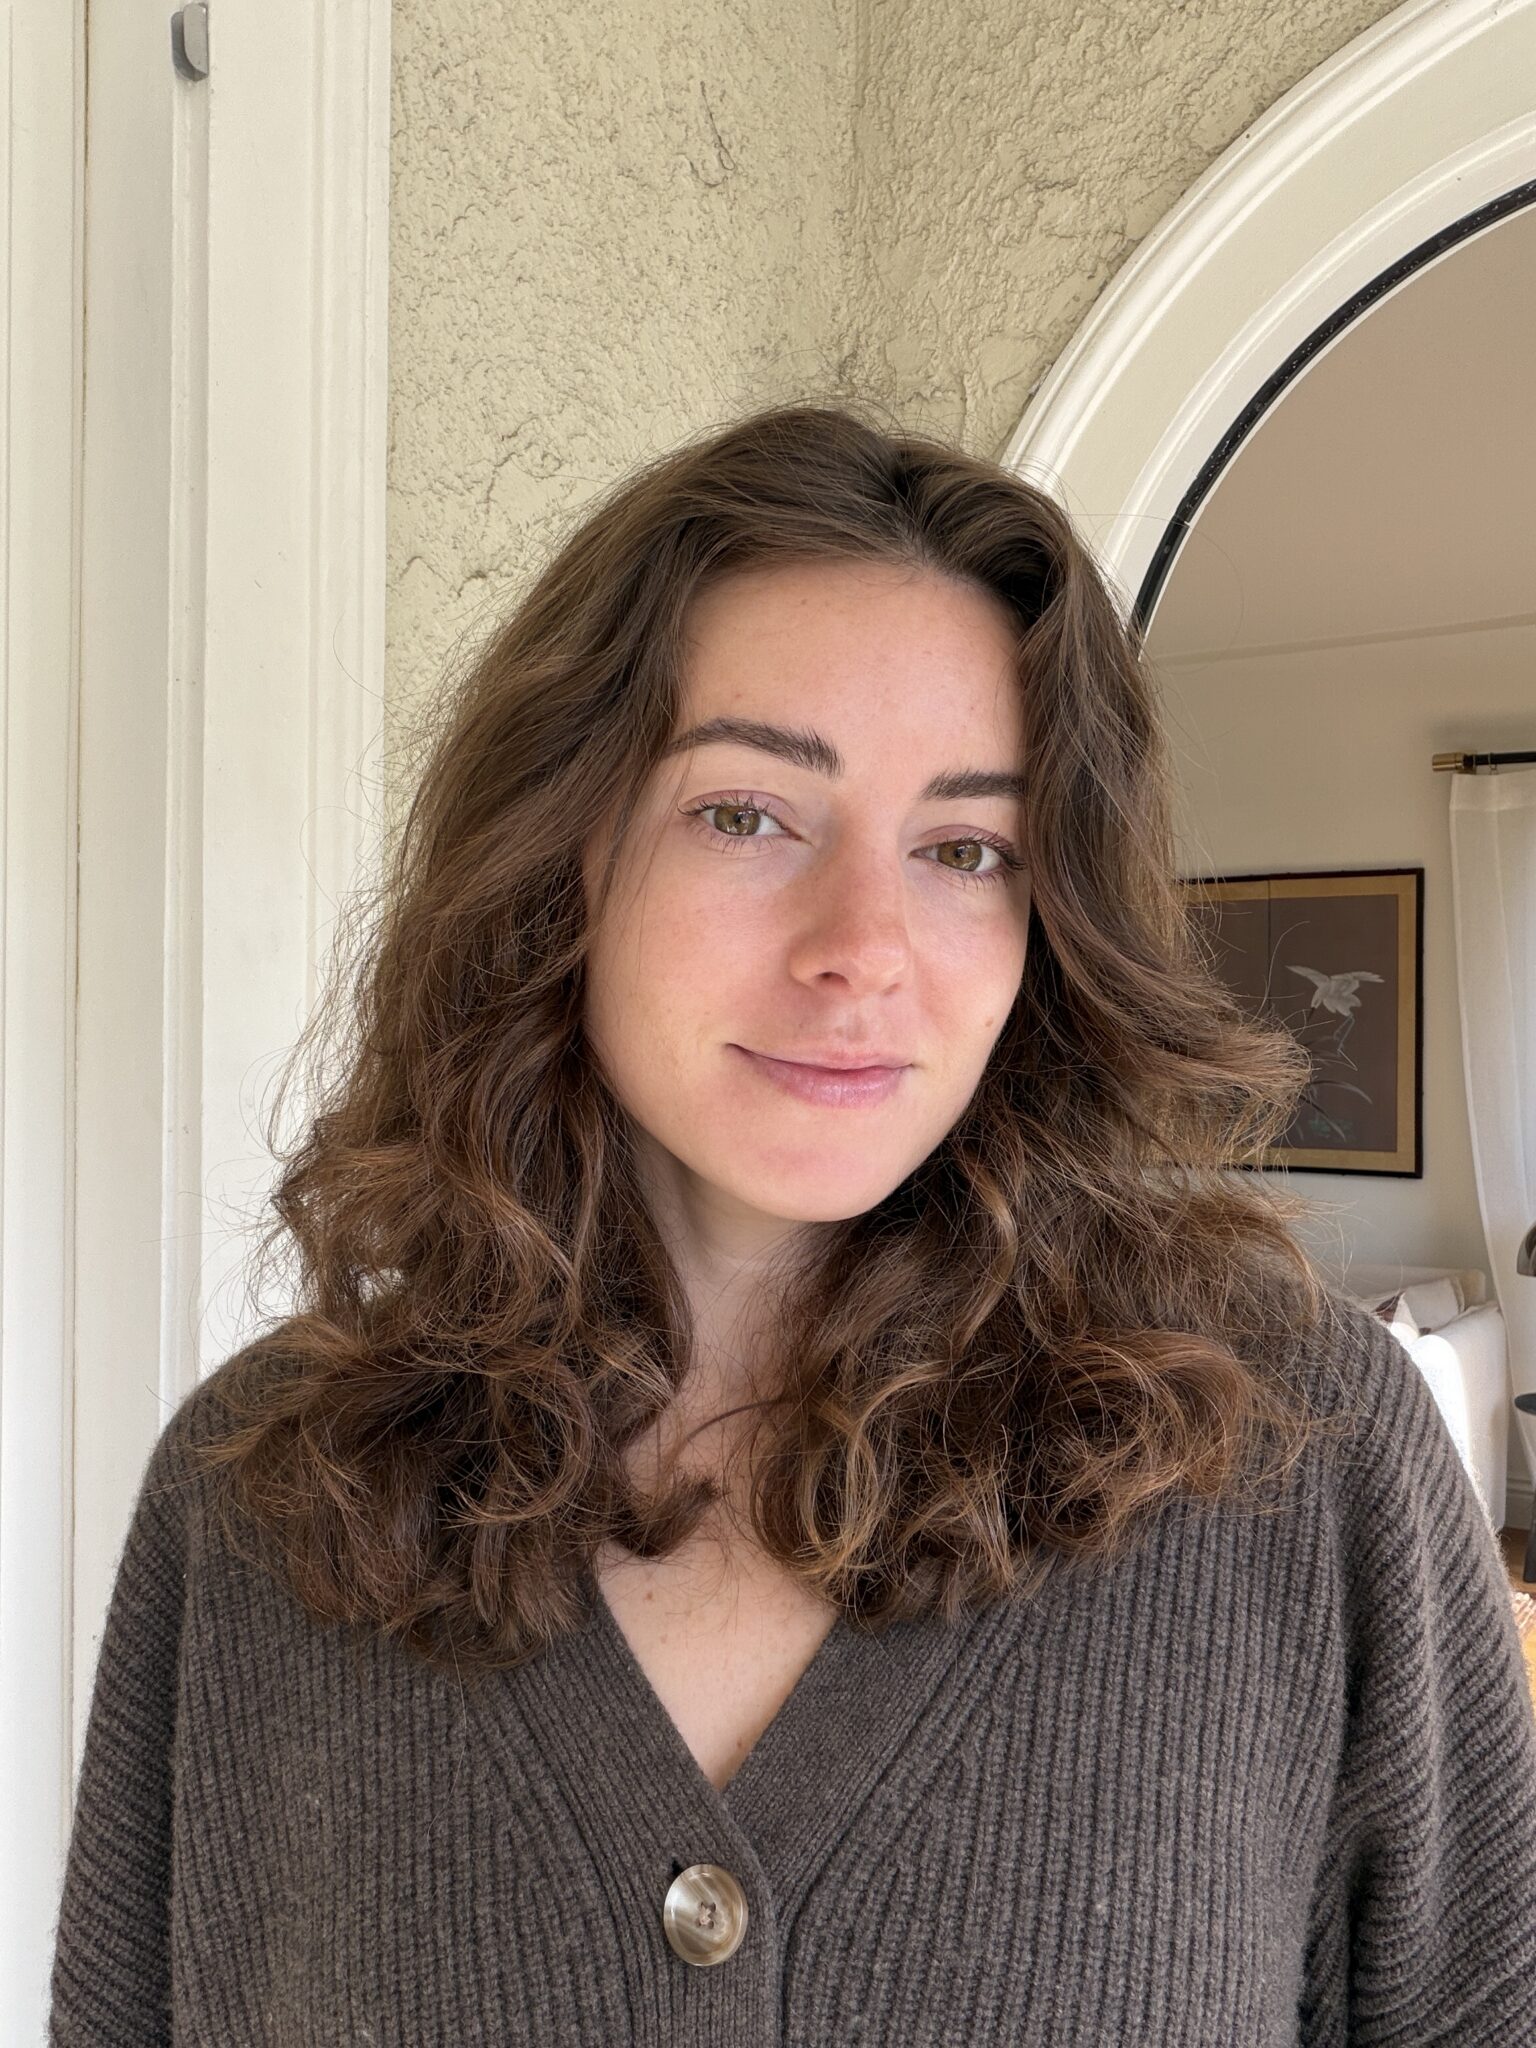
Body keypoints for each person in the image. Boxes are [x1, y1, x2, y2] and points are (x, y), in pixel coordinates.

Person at [49, 399, 1536, 2045]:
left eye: (968, 847)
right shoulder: (257, 1503)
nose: (865, 947)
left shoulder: (1306, 1466)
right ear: (567, 857)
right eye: (749, 813)